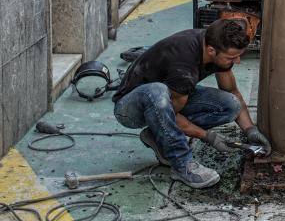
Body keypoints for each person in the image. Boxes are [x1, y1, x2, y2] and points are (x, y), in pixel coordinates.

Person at [112, 19, 272, 189]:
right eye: (232, 57)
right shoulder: (184, 66)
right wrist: (208, 136)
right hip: (129, 107)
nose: (237, 61)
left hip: (168, 97)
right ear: (211, 51)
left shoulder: (213, 42)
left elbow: (232, 91)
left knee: (230, 105)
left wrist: (250, 130)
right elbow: (174, 115)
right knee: (158, 93)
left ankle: (157, 135)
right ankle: (182, 165)